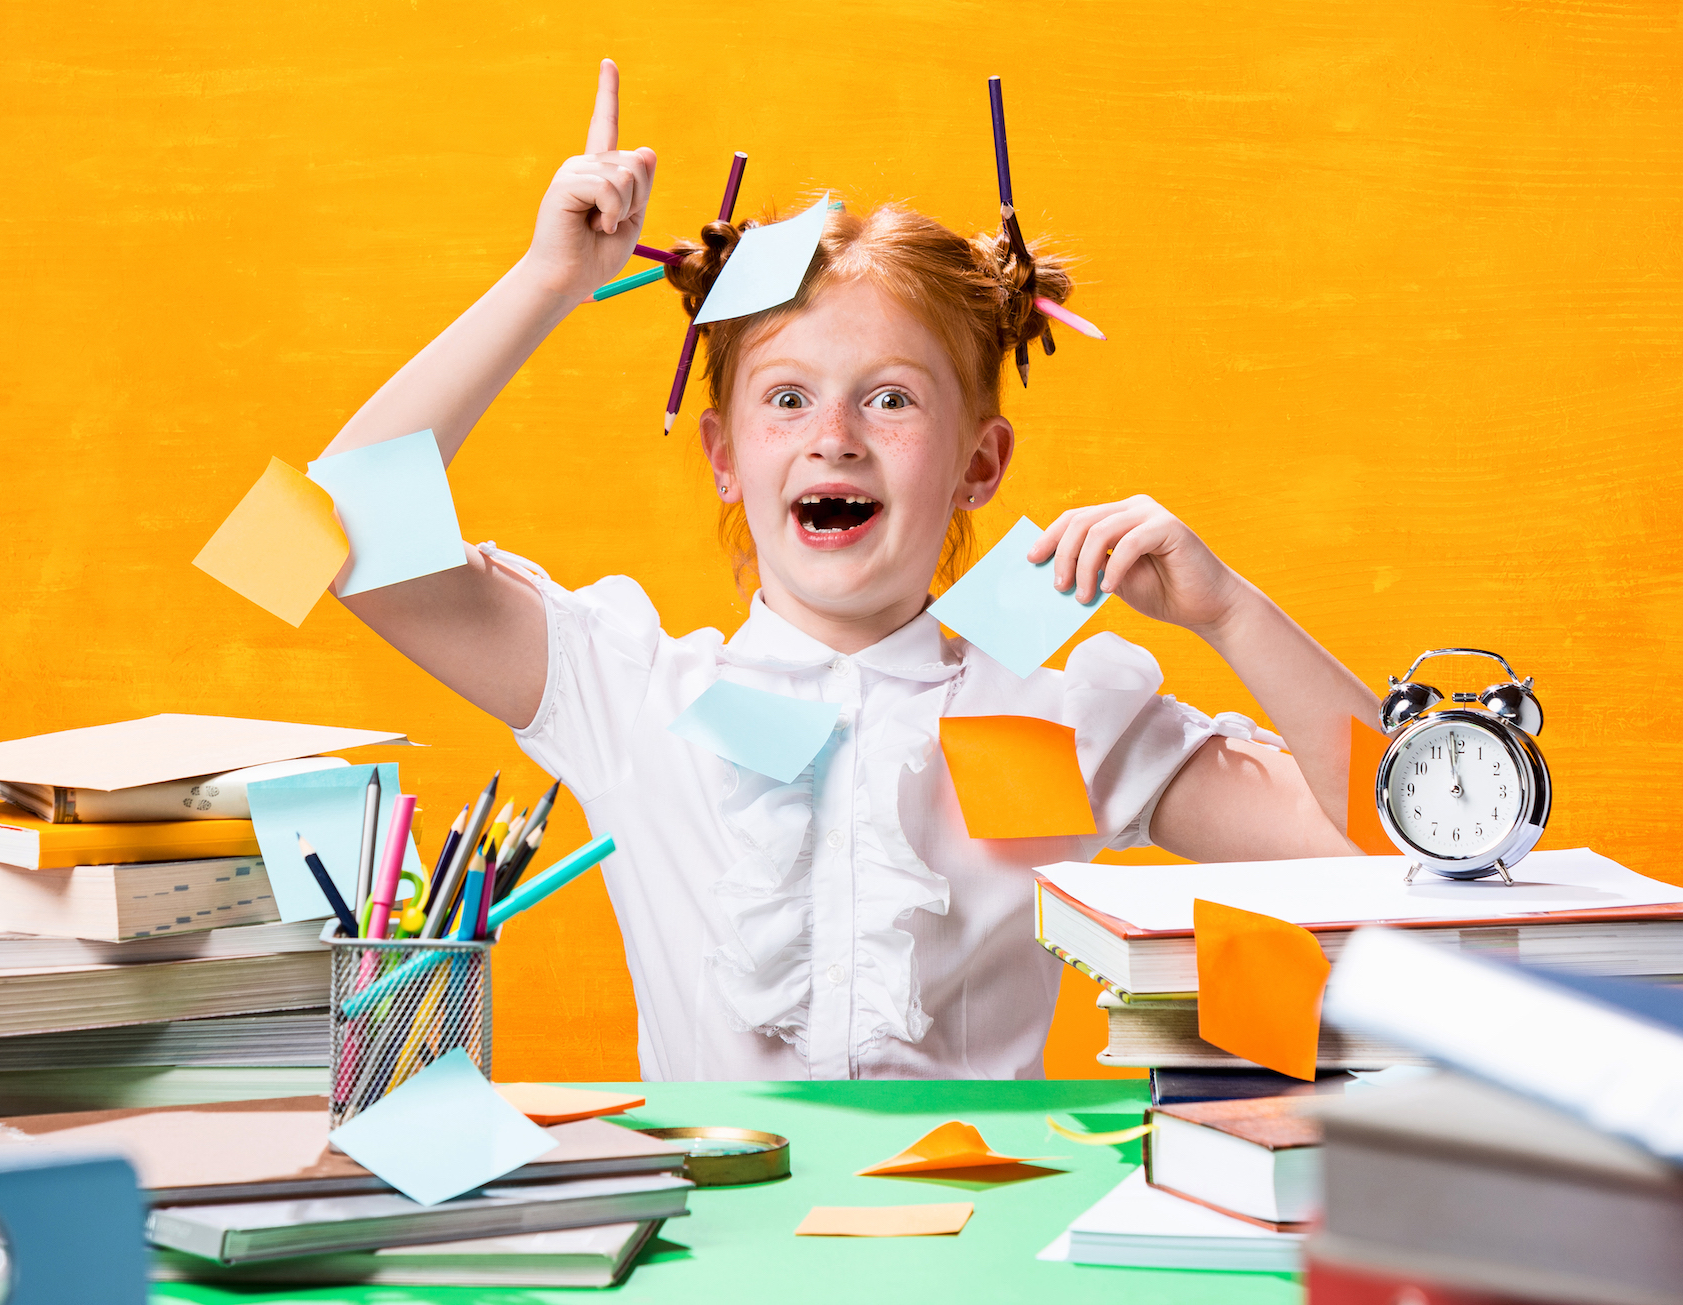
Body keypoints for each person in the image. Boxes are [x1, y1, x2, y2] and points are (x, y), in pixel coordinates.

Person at [323, 60, 1373, 1080]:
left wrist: (1233, 612)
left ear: (979, 464)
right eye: (786, 397)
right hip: (719, 1242)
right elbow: (341, 534)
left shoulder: (1059, 715)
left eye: (891, 398)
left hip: (974, 1242)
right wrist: (546, 281)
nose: (834, 436)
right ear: (724, 458)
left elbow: (1397, 854)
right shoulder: (634, 693)